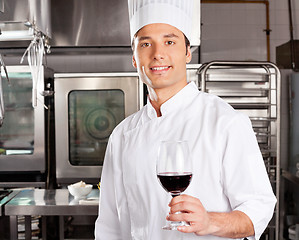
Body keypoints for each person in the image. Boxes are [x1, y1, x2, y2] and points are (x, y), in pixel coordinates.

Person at [94, 0, 276, 239]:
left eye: (169, 42)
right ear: (134, 58)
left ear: (187, 52)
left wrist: (211, 222)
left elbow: (259, 210)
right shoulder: (122, 135)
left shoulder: (225, 122)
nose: (158, 54)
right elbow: (109, 225)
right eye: (146, 44)